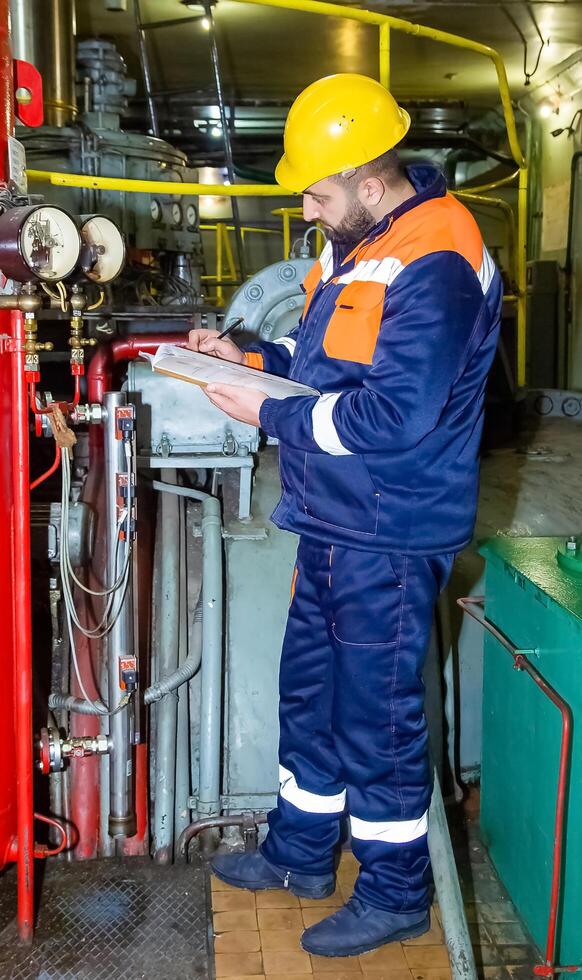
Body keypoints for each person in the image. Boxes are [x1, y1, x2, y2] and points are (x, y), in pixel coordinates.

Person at [187, 73, 502, 956]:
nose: (309, 209)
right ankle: (300, 855)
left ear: (370, 181)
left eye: (319, 193)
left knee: (379, 720)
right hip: (333, 522)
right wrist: (248, 355)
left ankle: (397, 891)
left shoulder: (436, 258)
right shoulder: (358, 245)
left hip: (392, 533)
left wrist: (269, 414)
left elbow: (392, 416)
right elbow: (321, 361)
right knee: (313, 697)